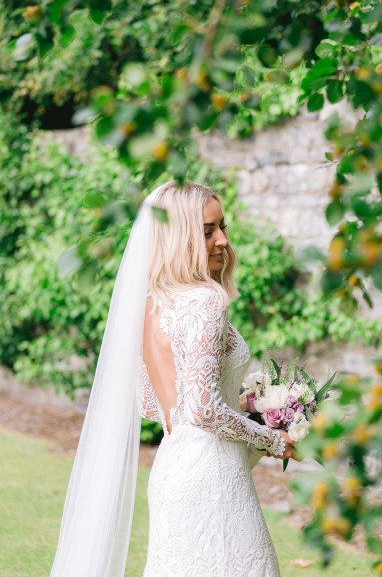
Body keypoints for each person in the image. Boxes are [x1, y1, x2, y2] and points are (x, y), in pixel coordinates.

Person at [49, 180, 295, 577]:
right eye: (207, 231)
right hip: (211, 475)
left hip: (173, 466)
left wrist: (242, 404)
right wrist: (272, 439)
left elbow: (153, 403)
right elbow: (201, 409)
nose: (223, 242)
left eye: (222, 227)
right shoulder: (205, 300)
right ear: (179, 236)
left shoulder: (150, 303)